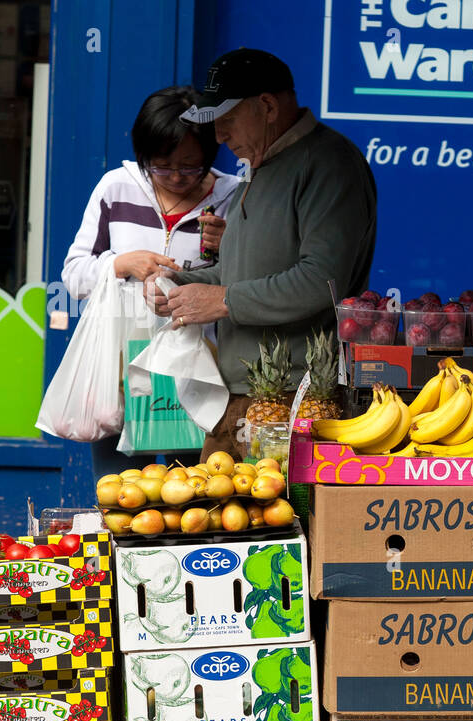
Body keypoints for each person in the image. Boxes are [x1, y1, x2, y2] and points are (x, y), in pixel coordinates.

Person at [144, 49, 378, 459]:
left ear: (267, 106)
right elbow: (236, 275)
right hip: (241, 397)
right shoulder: (261, 163)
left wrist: (224, 300)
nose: (218, 137)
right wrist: (177, 287)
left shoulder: (329, 163)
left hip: (298, 399)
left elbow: (321, 281)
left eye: (227, 121)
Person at [62, 85, 243, 478]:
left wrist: (231, 245)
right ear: (143, 155)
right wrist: (120, 263)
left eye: (191, 166)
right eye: (162, 166)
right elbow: (74, 276)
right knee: (122, 499)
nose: (177, 177)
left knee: (192, 496)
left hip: (201, 375)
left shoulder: (233, 197)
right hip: (123, 371)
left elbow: (251, 285)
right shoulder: (116, 188)